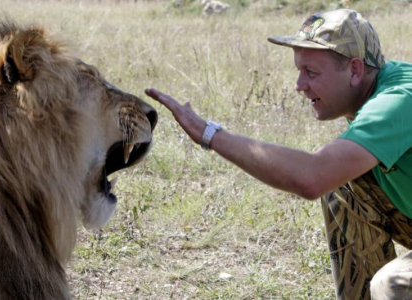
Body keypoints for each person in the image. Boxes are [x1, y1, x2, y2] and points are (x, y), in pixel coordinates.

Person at [145, 9, 412, 300]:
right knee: (342, 183)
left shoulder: (399, 100)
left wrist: (210, 134)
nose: (299, 85)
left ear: (355, 70)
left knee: (393, 284)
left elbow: (312, 177)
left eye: (311, 73)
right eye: (299, 71)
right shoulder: (374, 92)